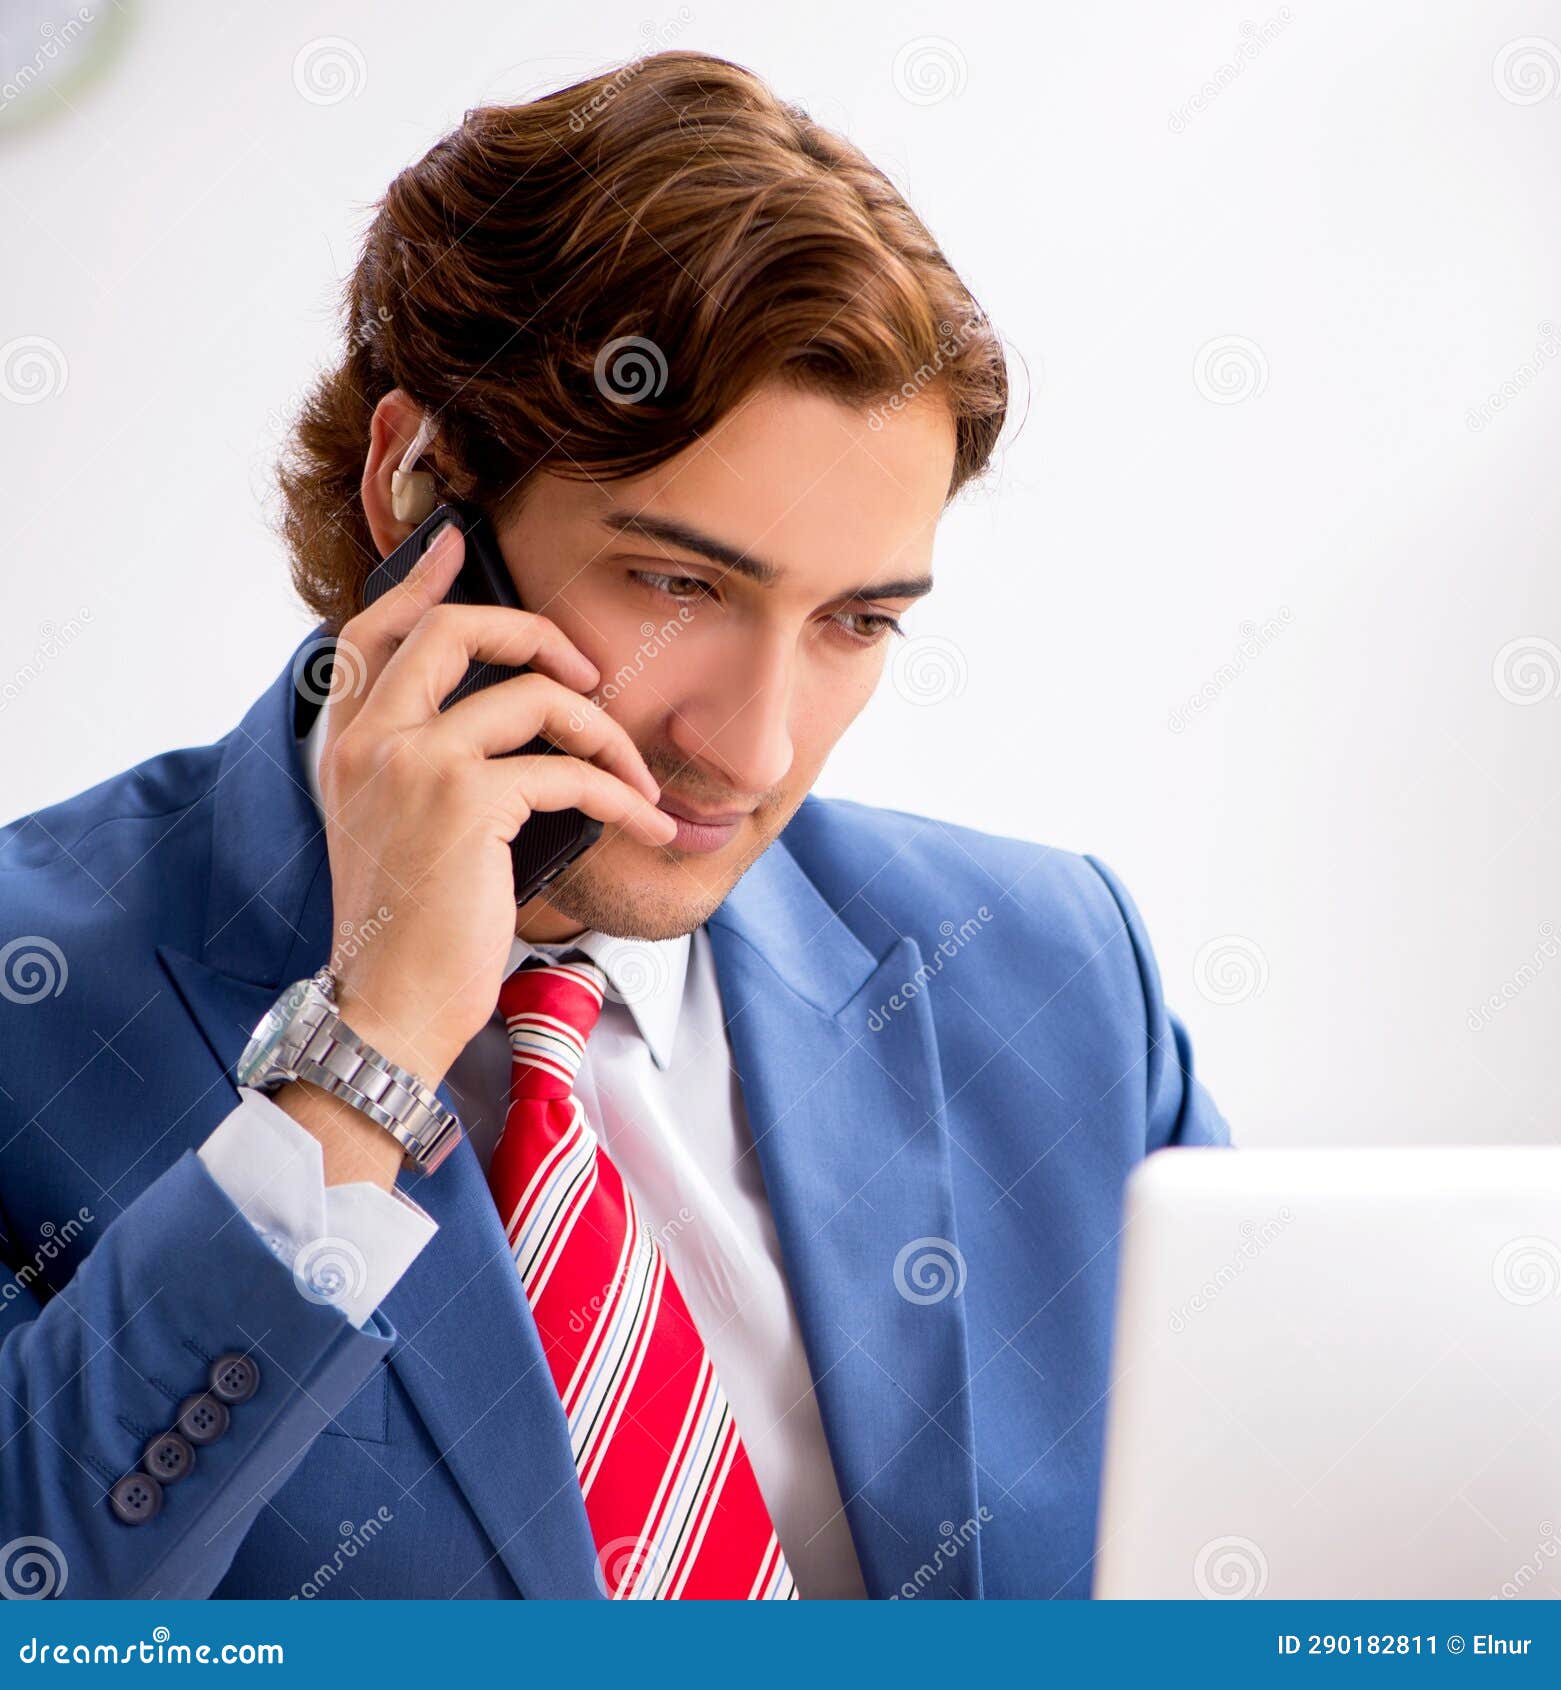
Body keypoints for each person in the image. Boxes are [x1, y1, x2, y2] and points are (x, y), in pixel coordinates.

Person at [0, 50, 1228, 1602]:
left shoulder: (1054, 978)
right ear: (419, 485)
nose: (755, 744)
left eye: (856, 621)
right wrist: (363, 1045)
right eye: (679, 585)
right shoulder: (31, 1003)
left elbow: (1279, 1554)